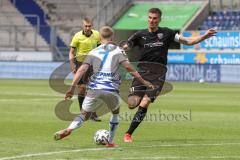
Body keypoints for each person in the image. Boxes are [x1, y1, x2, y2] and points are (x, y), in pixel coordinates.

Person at [122, 8, 217, 142]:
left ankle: (128, 134)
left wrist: (204, 36)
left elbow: (187, 41)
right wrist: (122, 48)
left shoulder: (167, 33)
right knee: (132, 104)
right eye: (150, 18)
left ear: (159, 19)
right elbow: (127, 45)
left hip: (158, 75)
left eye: (155, 18)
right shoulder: (139, 35)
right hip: (142, 73)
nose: (152, 21)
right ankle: (134, 99)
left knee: (145, 102)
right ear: (147, 18)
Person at [54, 26, 154, 147]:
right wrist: (143, 82)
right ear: (113, 37)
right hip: (111, 90)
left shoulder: (93, 52)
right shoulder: (119, 51)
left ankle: (69, 129)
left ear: (100, 37)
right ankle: (110, 142)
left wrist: (71, 88)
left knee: (84, 115)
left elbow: (81, 70)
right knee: (115, 114)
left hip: (94, 89)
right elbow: (128, 67)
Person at [69, 17, 101, 121]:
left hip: (93, 63)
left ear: (92, 26)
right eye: (86, 26)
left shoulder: (96, 34)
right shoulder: (77, 36)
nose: (87, 28)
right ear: (83, 26)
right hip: (81, 63)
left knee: (93, 89)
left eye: (89, 26)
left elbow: (101, 49)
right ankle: (83, 113)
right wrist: (72, 64)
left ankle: (93, 114)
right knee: (82, 89)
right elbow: (71, 52)